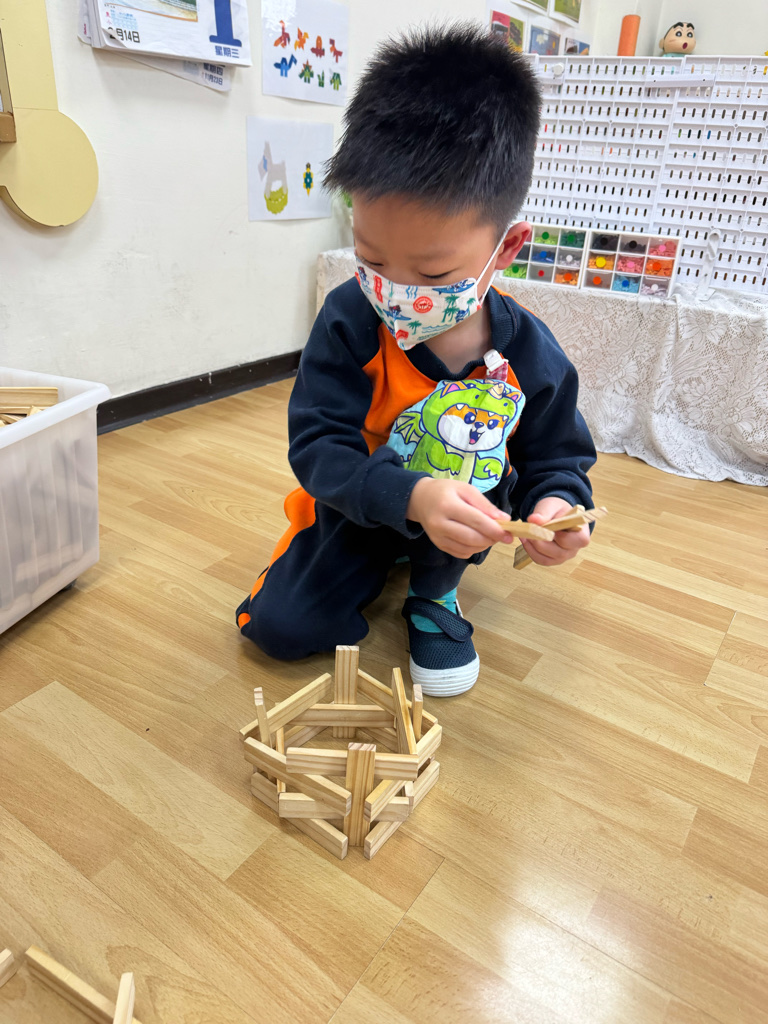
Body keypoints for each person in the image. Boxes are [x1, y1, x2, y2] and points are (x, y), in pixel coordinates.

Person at [236, 23, 596, 696]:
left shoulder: (527, 350)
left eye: (433, 274)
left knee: (464, 502)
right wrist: (410, 497)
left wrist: (557, 507)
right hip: (358, 504)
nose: (397, 291)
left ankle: (434, 592)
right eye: (370, 258)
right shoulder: (348, 319)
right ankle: (350, 559)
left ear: (506, 248)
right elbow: (318, 446)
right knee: (278, 630)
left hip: (460, 524)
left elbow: (557, 456)